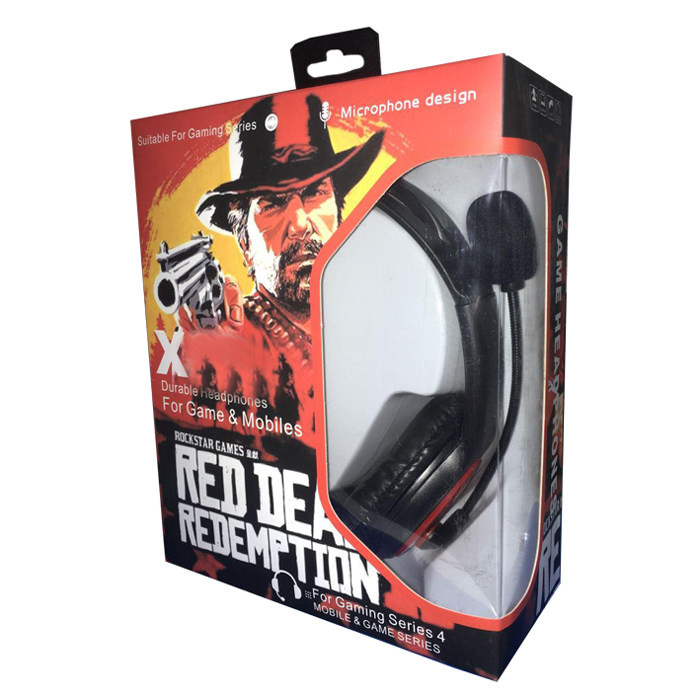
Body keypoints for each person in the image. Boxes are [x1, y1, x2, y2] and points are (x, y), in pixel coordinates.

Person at [177, 93, 384, 448]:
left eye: (315, 193)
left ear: (340, 214)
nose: (300, 223)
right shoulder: (230, 342)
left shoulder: (374, 316)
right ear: (244, 243)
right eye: (272, 204)